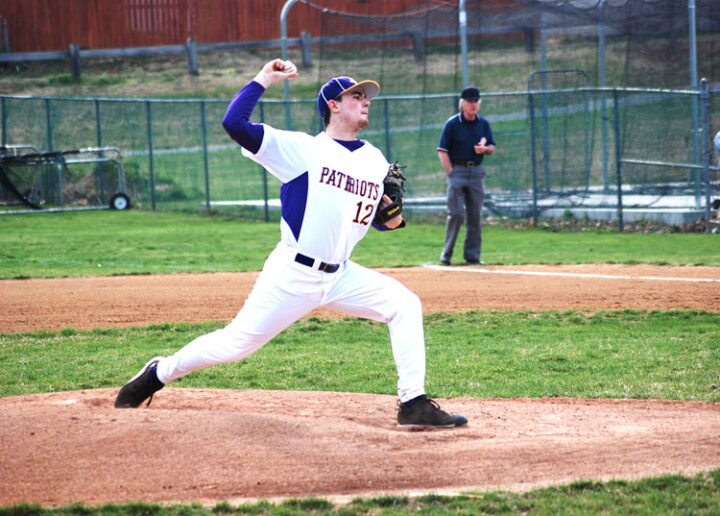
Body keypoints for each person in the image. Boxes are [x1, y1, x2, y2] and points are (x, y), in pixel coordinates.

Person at [114, 58, 467, 429]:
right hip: (292, 274)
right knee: (235, 345)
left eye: (367, 97)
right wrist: (265, 77)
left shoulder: (373, 159)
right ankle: (159, 372)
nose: (366, 101)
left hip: (341, 275)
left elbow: (378, 221)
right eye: (357, 95)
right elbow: (234, 124)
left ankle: (413, 404)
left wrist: (391, 217)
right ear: (333, 105)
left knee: (405, 304)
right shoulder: (301, 150)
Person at [436, 86, 495, 266]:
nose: (473, 105)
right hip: (458, 170)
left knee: (475, 215)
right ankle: (447, 254)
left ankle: (472, 256)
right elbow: (442, 151)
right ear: (463, 104)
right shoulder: (453, 124)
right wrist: (451, 173)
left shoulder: (483, 124)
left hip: (476, 171)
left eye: (476, 101)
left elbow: (491, 147)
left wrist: (484, 149)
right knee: (455, 213)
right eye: (470, 101)